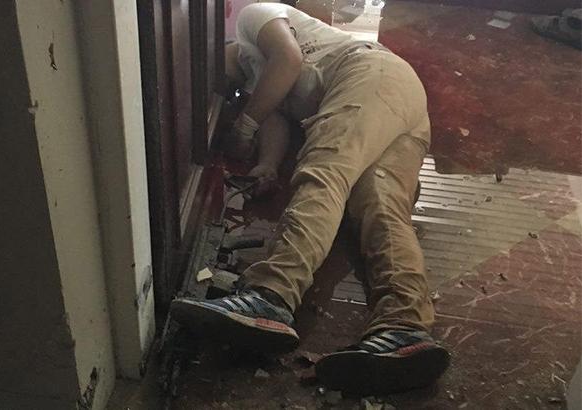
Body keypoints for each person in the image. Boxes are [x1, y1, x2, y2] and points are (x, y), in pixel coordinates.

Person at [171, 2, 450, 395]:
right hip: (400, 101)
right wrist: (267, 165)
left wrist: (245, 126)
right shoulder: (257, 82)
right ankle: (405, 328)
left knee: (323, 173)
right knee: (382, 210)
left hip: (369, 74)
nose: (223, 96)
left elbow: (288, 59)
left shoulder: (254, 16)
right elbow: (275, 120)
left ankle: (271, 294)